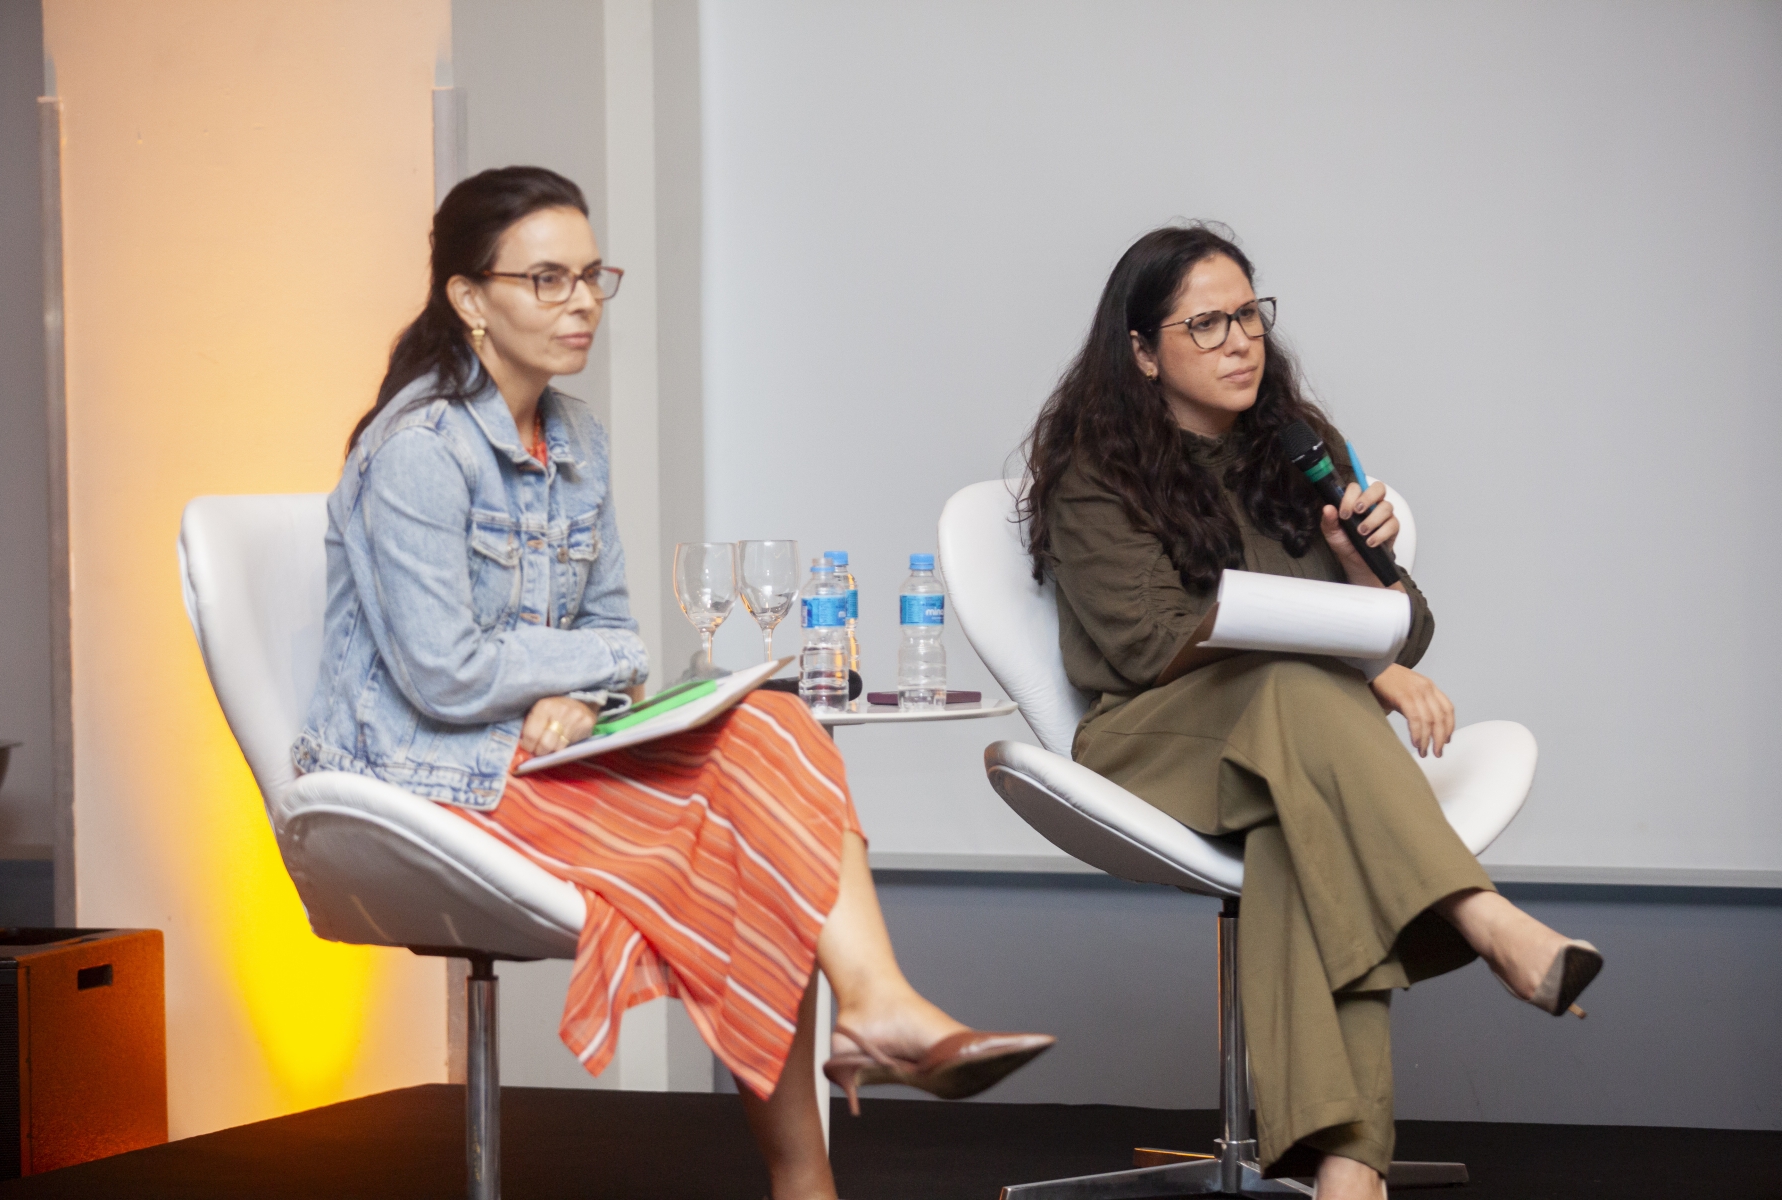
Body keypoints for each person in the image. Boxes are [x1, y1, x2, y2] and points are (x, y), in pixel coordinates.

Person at [292, 166, 1051, 1200]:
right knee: (750, 839)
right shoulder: (417, 452)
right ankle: (810, 1172)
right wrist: (586, 674)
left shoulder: (577, 437)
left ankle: (878, 1000)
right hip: (420, 772)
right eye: (547, 280)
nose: (581, 303)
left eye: (591, 276)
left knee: (773, 725)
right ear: (468, 298)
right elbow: (449, 676)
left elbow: (615, 634)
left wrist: (581, 693)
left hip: (539, 743)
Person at [1020, 224, 1602, 1200]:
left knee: (1300, 838)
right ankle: (1484, 918)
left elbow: (1410, 628)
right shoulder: (1096, 473)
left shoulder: (1300, 447)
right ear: (1143, 350)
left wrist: (1361, 570)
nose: (1241, 341)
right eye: (1206, 324)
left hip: (1293, 750)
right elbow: (1148, 645)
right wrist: (1362, 675)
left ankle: (1347, 1174)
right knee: (1300, 695)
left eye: (1249, 315)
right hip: (1151, 743)